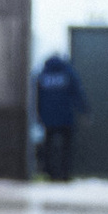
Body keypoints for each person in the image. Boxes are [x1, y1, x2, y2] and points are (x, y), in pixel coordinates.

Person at [33, 47, 87, 182]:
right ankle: (65, 174)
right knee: (66, 148)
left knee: (49, 147)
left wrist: (38, 115)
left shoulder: (43, 74)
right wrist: (84, 111)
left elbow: (37, 97)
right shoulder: (68, 73)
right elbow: (77, 93)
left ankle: (50, 173)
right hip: (66, 118)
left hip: (48, 118)